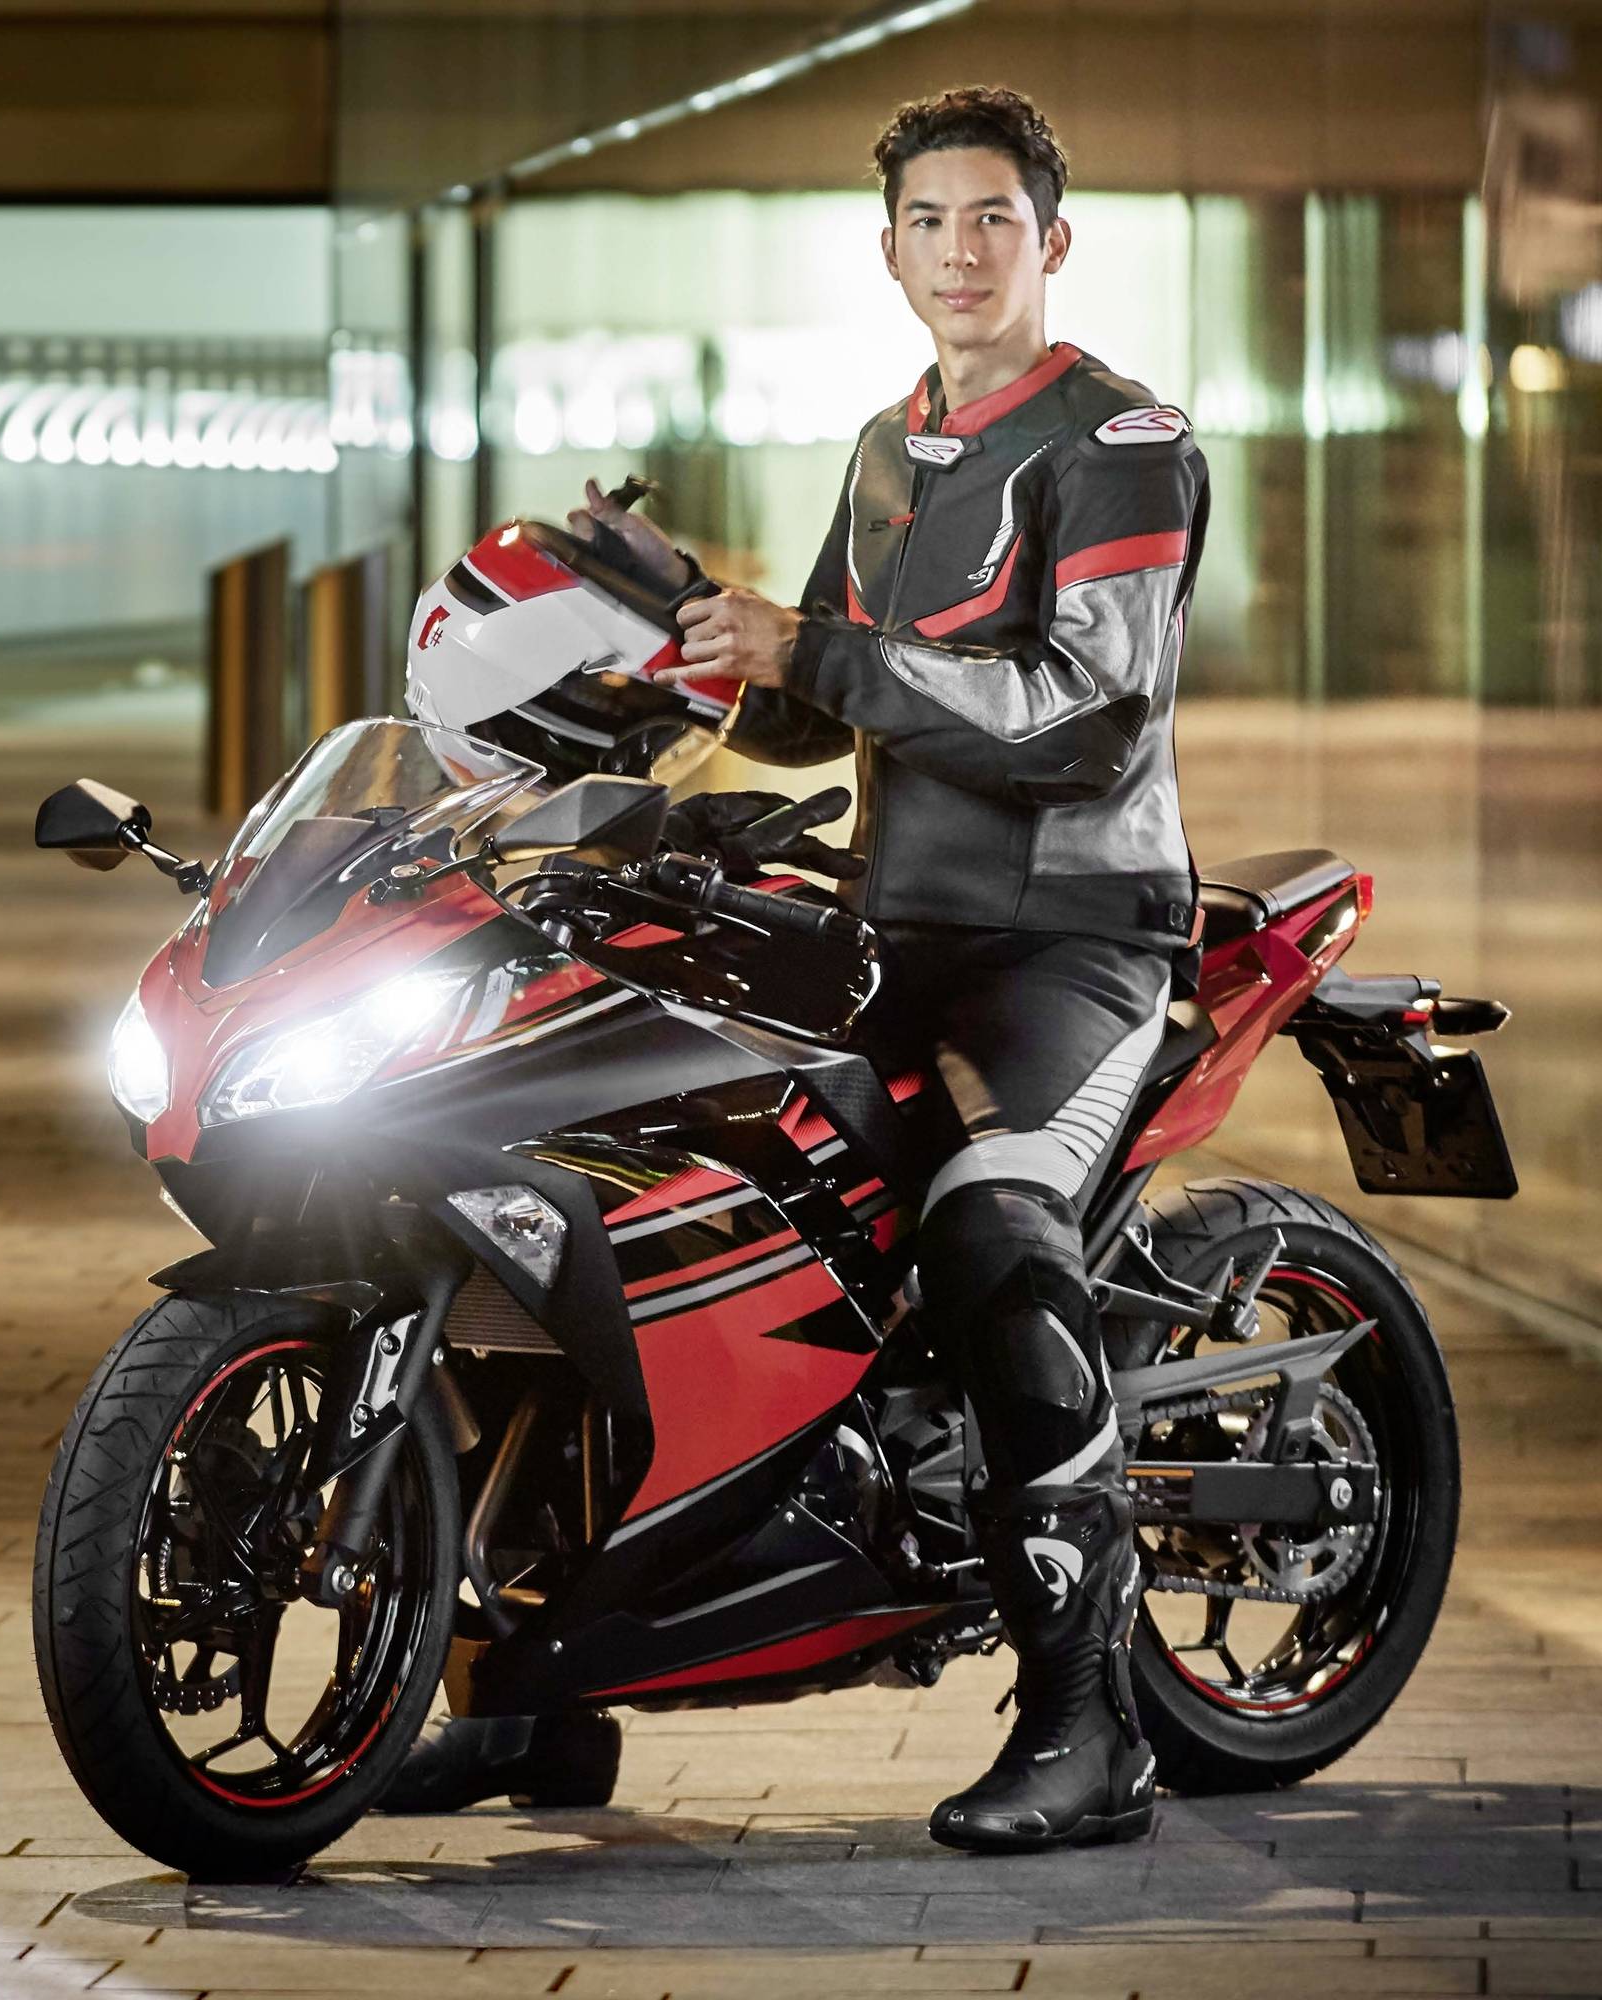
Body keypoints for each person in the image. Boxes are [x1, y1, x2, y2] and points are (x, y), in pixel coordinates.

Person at [391, 86, 1205, 1854]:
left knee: (994, 1222)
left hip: (1070, 938)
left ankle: (1090, 1720)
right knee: (604, 1192)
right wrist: (667, 639)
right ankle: (530, 1693)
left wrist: (814, 648)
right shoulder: (887, 444)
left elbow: (1079, 713)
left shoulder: (1125, 442)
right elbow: (802, 705)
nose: (963, 251)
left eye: (996, 219)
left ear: (1052, 242)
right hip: (890, 924)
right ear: (891, 246)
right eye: (931, 221)